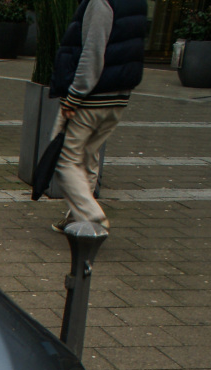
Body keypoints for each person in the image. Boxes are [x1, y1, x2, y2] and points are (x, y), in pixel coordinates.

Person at [49, 0, 146, 231]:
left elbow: (92, 51)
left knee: (64, 160)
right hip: (118, 96)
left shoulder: (101, 3)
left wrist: (74, 95)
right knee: (87, 157)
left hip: (92, 96)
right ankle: (76, 218)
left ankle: (92, 218)